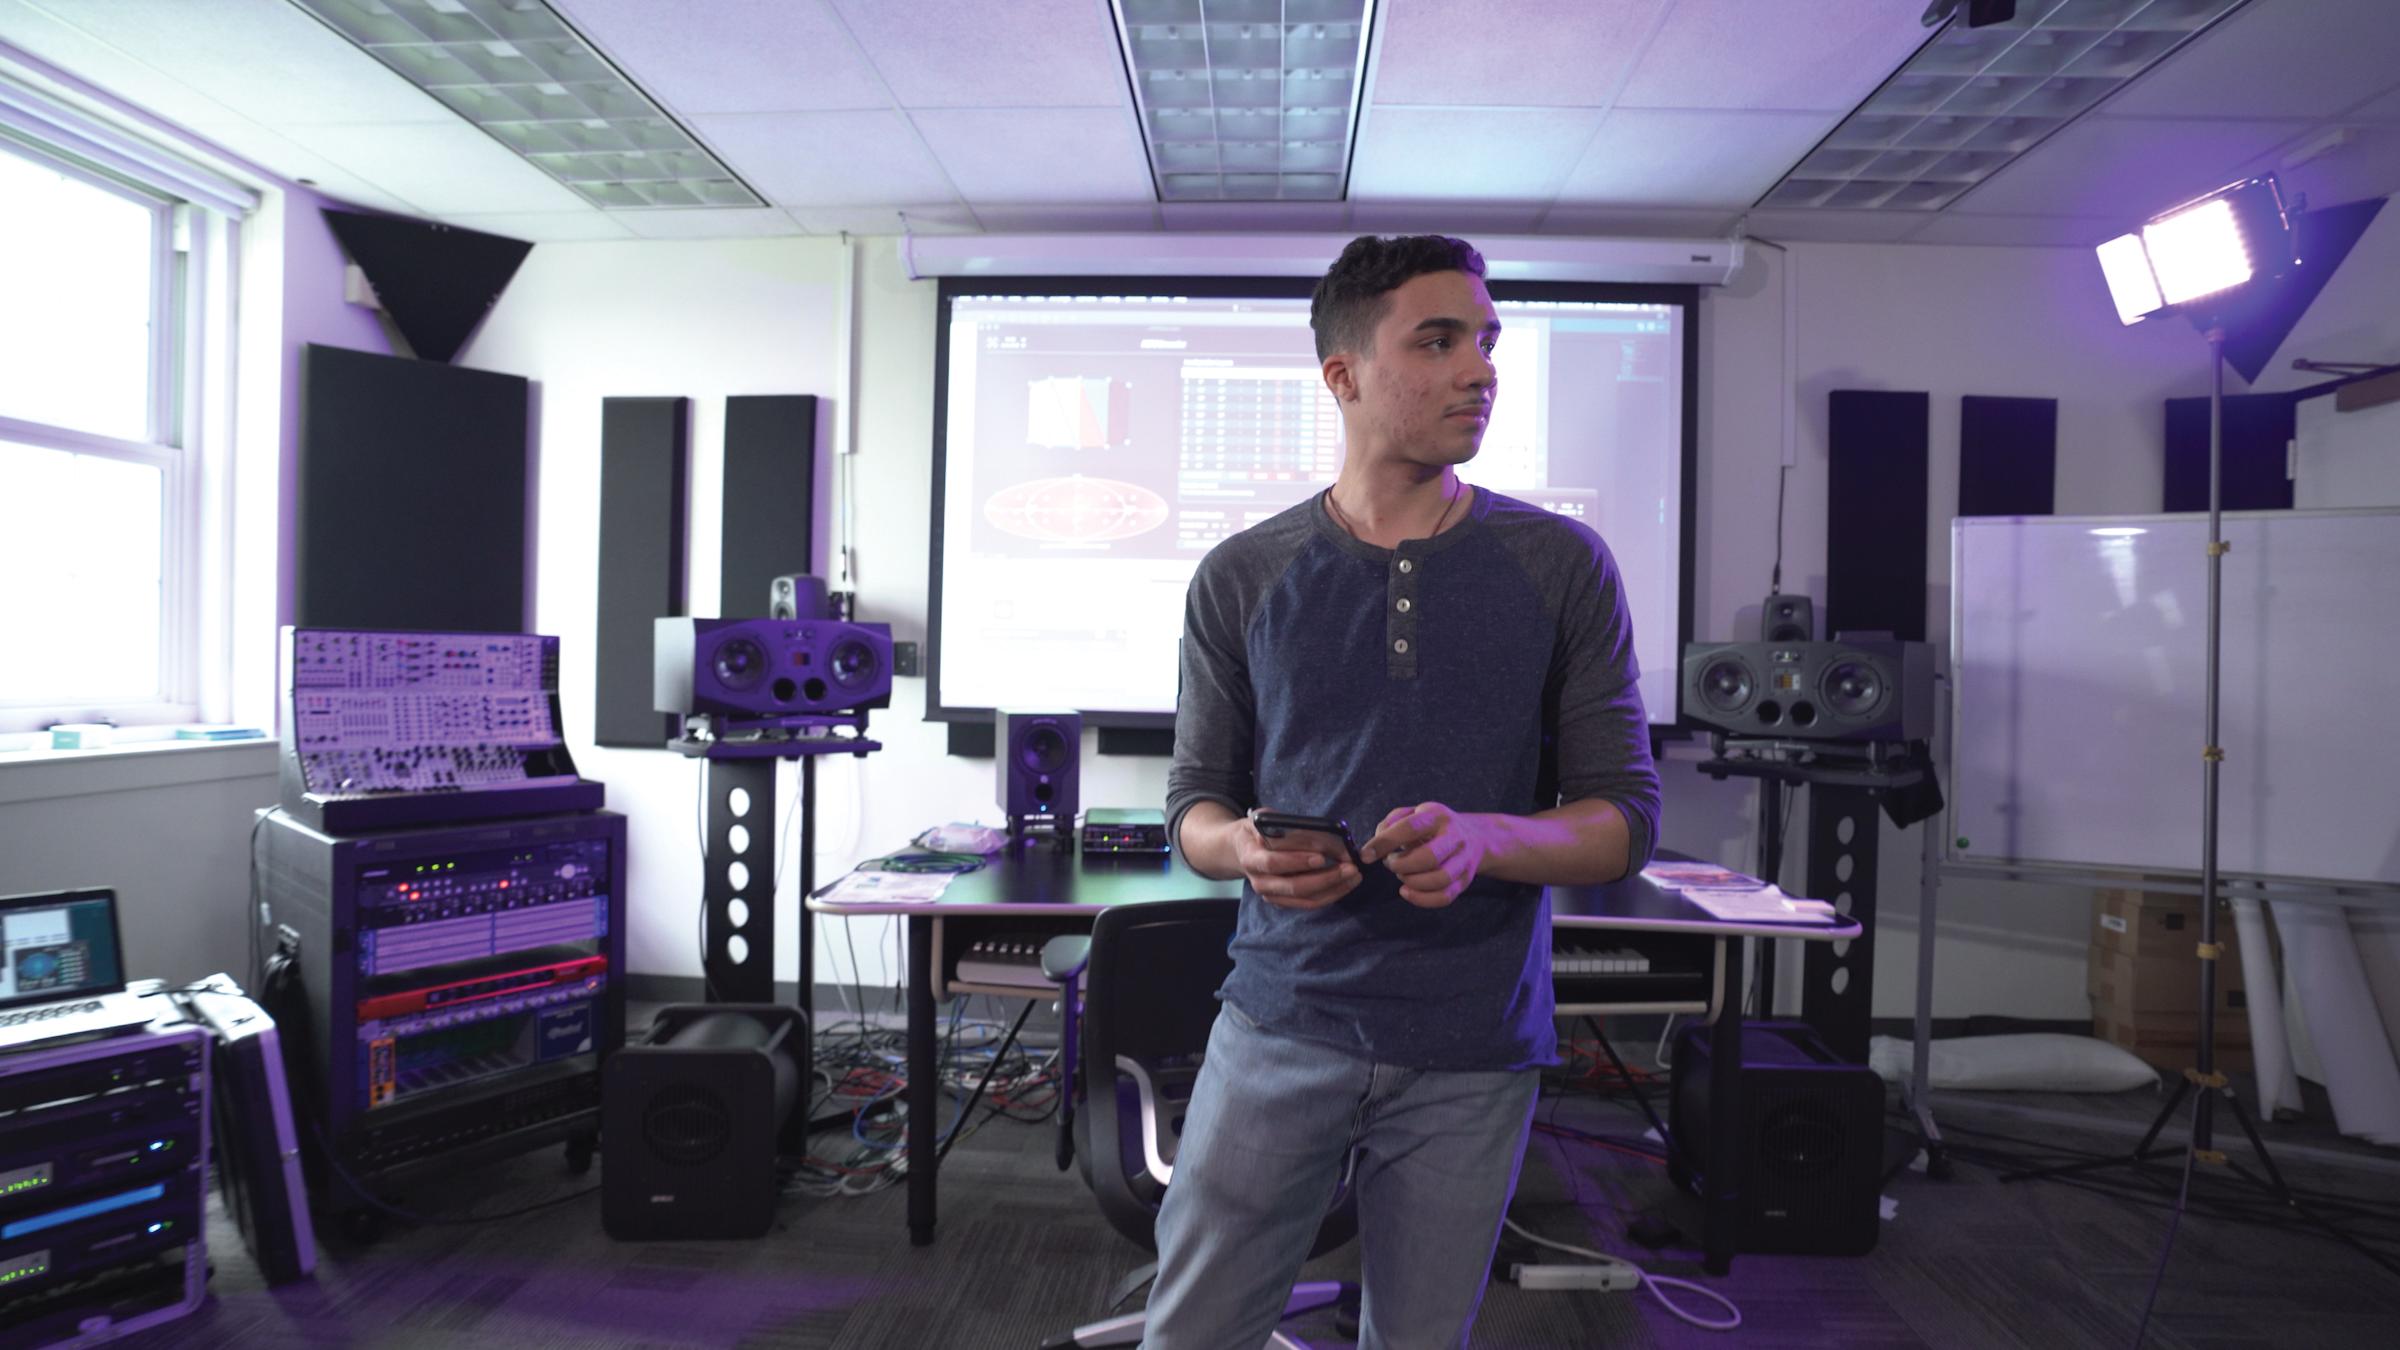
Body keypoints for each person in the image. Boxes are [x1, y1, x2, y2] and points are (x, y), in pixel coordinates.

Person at [1152, 234, 1662, 1348]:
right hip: (1281, 1022)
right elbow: (1193, 806)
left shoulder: (1562, 566)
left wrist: (1484, 837)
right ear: (1343, 375)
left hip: (1472, 1040)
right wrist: (1240, 848)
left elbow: (1622, 819)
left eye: (1485, 340)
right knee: (1193, 1334)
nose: (1478, 368)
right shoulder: (1244, 573)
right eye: (1438, 341)